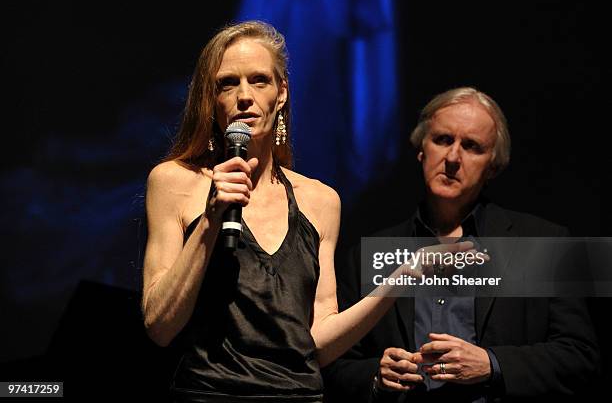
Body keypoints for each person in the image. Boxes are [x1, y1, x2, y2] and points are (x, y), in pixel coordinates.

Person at [141, 21, 470, 403]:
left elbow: (315, 344)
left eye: (259, 80)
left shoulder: (321, 201)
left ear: (281, 94)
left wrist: (400, 279)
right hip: (208, 394)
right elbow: (159, 326)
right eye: (227, 84)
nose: (244, 96)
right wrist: (212, 219)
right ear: (210, 98)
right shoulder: (174, 182)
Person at [322, 87, 600, 402]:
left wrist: (492, 364)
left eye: (471, 146)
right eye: (442, 140)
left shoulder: (545, 243)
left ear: (493, 166)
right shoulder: (366, 255)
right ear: (421, 150)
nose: (453, 157)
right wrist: (376, 375)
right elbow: (334, 365)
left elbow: (581, 357)